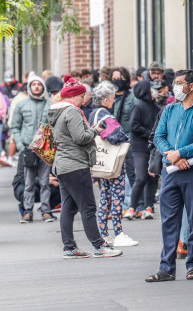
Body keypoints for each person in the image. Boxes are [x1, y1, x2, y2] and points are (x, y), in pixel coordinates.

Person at [146, 70, 193, 282]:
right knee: (169, 220)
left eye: (179, 83)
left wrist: (181, 153)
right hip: (170, 171)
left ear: (191, 86)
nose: (175, 87)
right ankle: (166, 268)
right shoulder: (169, 110)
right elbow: (158, 136)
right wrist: (173, 155)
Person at [48, 76, 122, 258]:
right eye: (82, 96)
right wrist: (96, 130)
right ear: (74, 96)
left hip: (63, 164)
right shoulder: (71, 112)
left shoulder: (57, 112)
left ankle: (69, 247)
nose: (84, 100)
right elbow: (80, 137)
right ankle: (99, 245)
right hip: (75, 164)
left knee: (68, 207)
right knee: (88, 207)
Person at [89, 82, 139, 247]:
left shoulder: (93, 114)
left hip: (101, 163)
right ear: (105, 99)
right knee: (117, 196)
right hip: (114, 163)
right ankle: (118, 233)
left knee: (105, 196)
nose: (114, 100)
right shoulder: (106, 117)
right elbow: (117, 136)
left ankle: (103, 233)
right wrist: (125, 137)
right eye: (111, 97)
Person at [11, 75, 54, 223]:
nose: (36, 87)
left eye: (39, 84)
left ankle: (46, 211)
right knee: (28, 183)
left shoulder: (50, 105)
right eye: (33, 84)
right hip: (28, 149)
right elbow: (15, 127)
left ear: (43, 87)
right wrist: (20, 145)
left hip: (45, 150)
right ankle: (27, 212)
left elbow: (55, 126)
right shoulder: (21, 105)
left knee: (44, 182)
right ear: (29, 87)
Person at [125, 80, 161, 220]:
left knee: (152, 177)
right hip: (139, 147)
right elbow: (134, 126)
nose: (154, 91)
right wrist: (150, 133)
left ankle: (148, 207)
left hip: (153, 147)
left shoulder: (156, 108)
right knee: (140, 177)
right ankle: (132, 207)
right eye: (151, 89)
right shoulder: (138, 106)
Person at [111, 67, 137, 212]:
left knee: (130, 173)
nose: (117, 81)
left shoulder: (132, 98)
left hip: (128, 140)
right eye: (114, 78)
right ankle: (118, 205)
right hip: (113, 141)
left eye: (120, 78)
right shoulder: (110, 97)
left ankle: (130, 204)